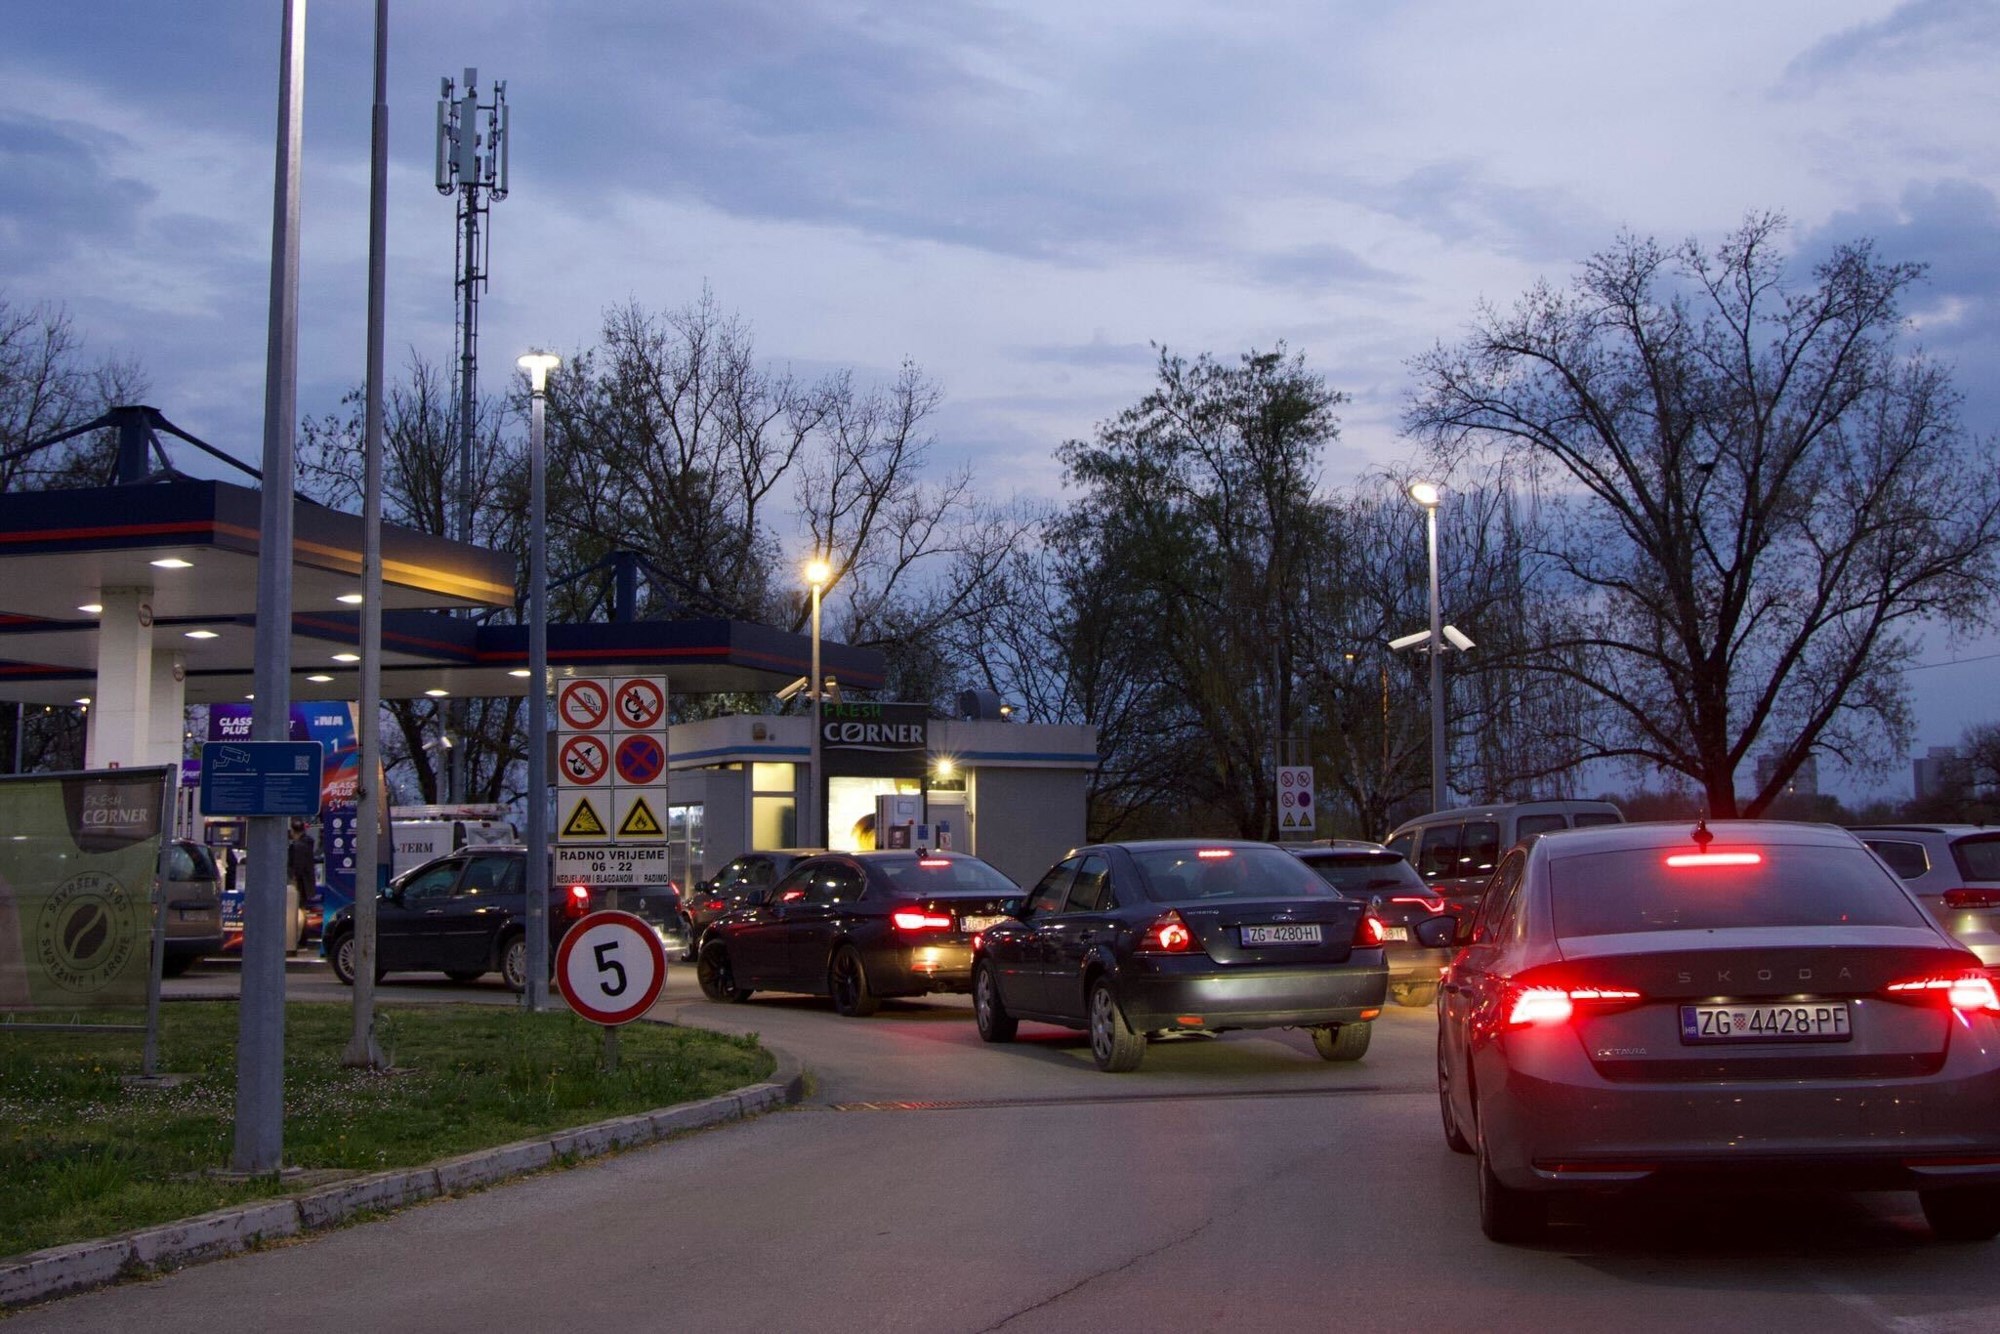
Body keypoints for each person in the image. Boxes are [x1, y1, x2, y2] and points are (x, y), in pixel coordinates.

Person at [286, 821, 315, 953]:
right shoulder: (308, 843)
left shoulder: (296, 846)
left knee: (298, 912)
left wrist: (292, 879)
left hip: (299, 883)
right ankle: (302, 939)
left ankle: (299, 939)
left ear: (293, 831)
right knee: (302, 911)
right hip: (307, 883)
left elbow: (296, 868)